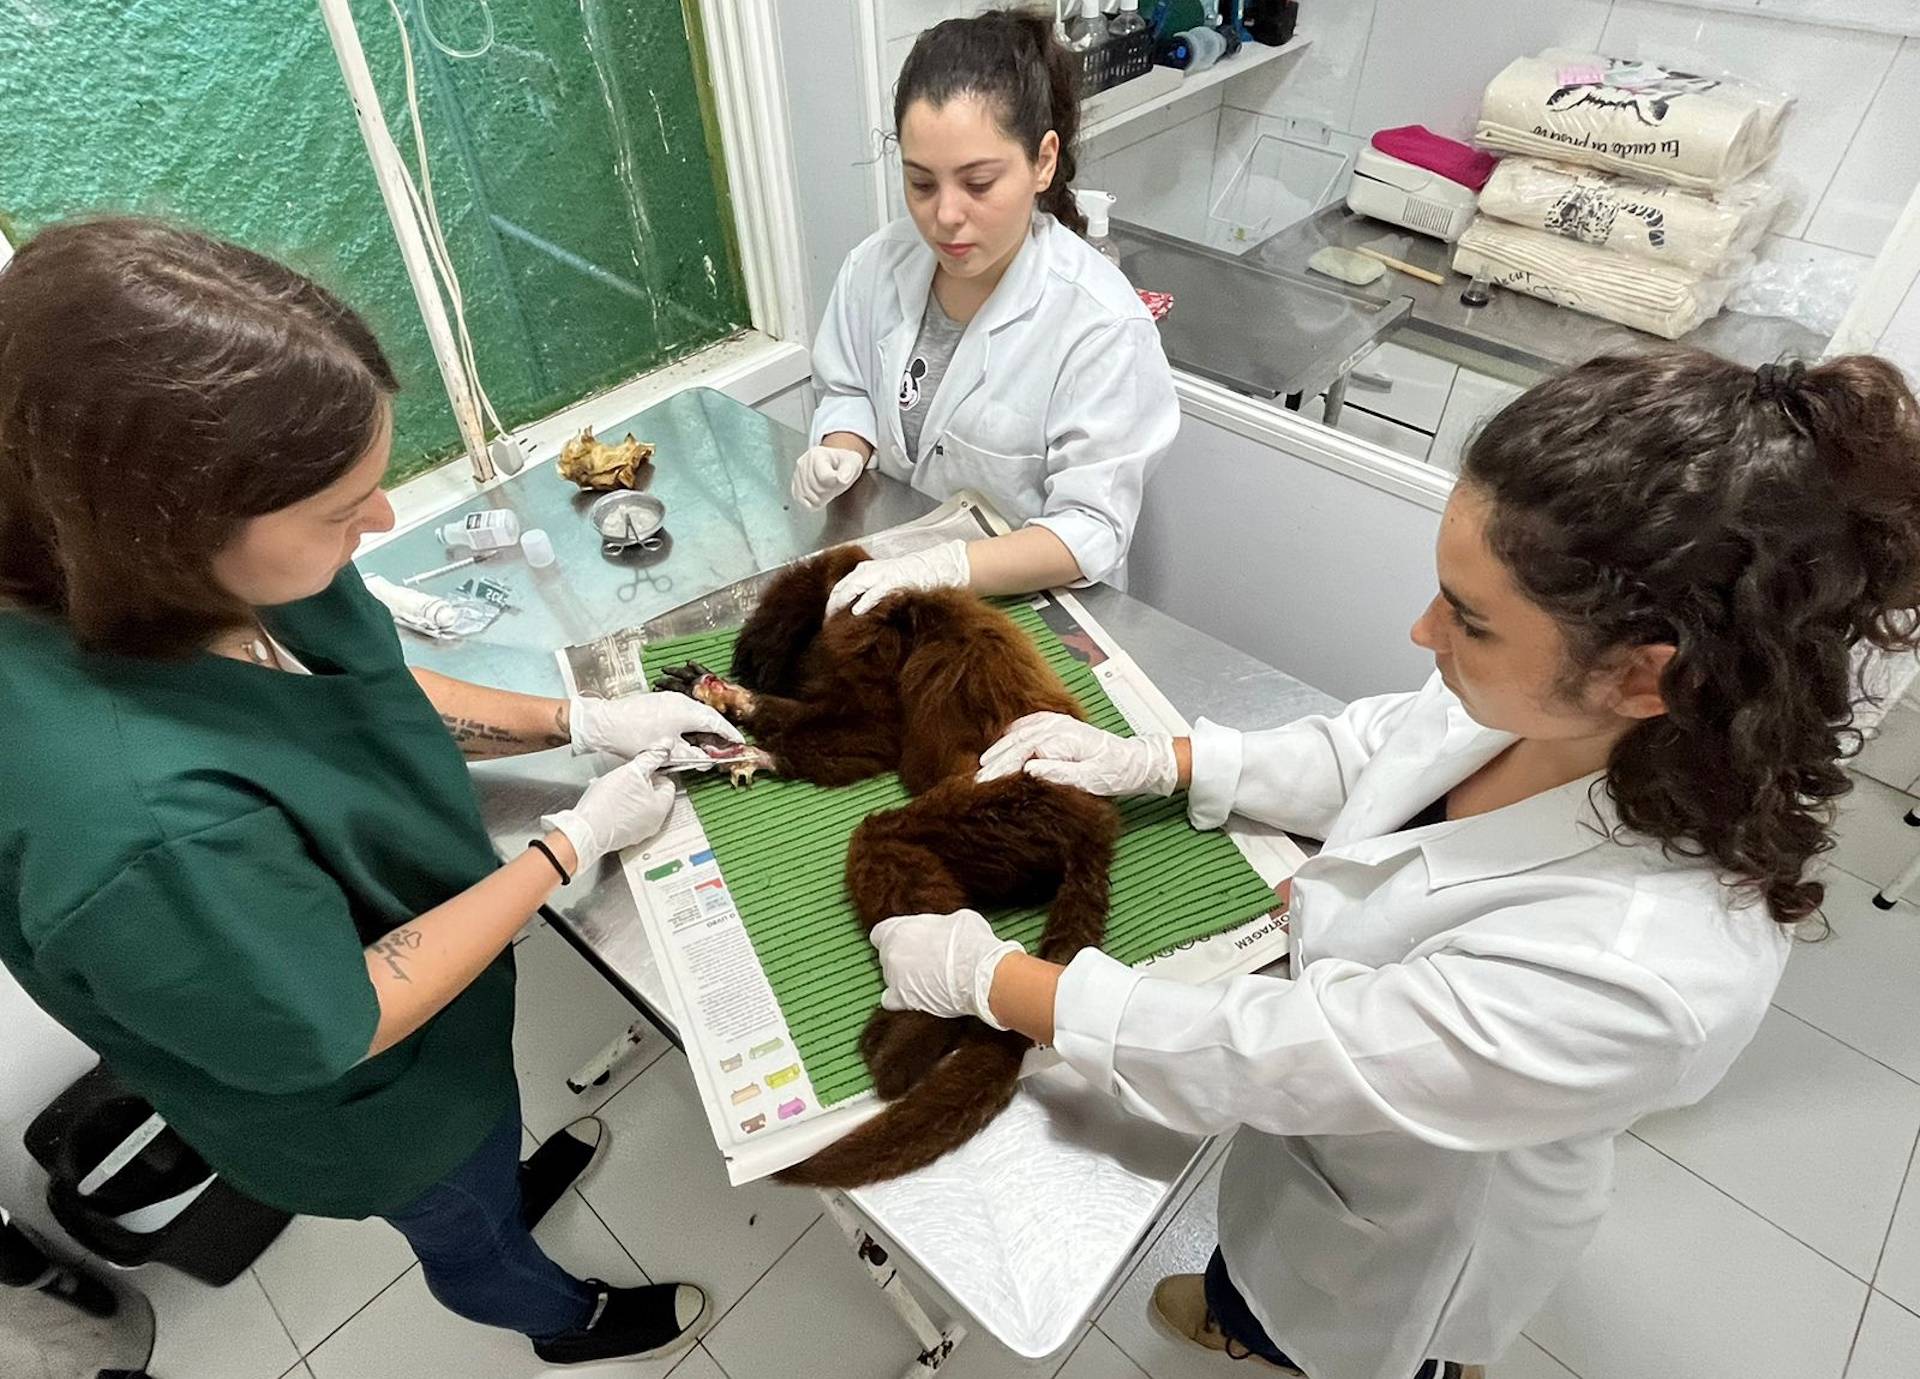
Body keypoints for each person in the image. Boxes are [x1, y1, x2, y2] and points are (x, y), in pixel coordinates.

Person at [866, 350, 1920, 1378]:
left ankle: (1272, 1335)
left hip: (1414, 1222)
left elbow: (1277, 1057)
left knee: (1341, 1328)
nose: (1423, 631)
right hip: (1329, 1151)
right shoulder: (1568, 709)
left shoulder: (1645, 971)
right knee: (1263, 1258)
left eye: (1470, 621)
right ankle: (1246, 1310)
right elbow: (1373, 750)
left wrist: (991, 978)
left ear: (1645, 676)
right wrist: (1164, 759)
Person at [0, 218, 732, 1367]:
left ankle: (501, 1190)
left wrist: (576, 719)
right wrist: (569, 842)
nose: (381, 521)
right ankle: (559, 1318)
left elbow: (358, 685)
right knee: (462, 1224)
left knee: (485, 1164)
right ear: (173, 530)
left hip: (436, 1033)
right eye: (341, 512)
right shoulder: (134, 825)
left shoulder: (172, 563)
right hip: (370, 1102)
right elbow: (339, 1014)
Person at [794, 8, 1178, 616]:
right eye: (922, 184)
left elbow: (1090, 529)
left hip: (1026, 610)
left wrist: (946, 568)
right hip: (894, 587)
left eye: (977, 184)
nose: (945, 216)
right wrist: (843, 446)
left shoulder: (1101, 326)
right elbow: (849, 387)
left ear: (1042, 161)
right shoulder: (875, 268)